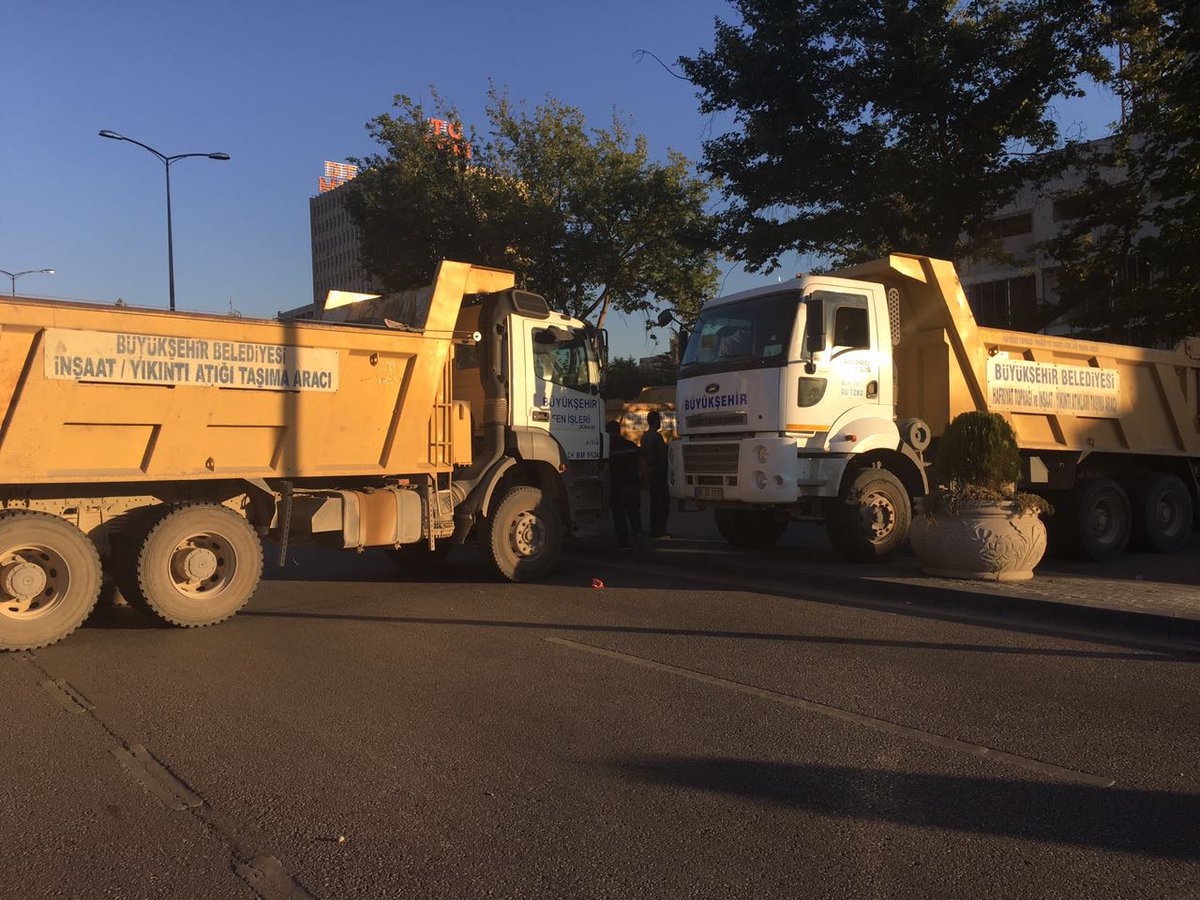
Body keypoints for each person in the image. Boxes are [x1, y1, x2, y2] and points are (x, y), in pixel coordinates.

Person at [605, 419, 644, 548]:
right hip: (633, 485)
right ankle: (638, 534)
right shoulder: (631, 445)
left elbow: (604, 469)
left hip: (617, 488)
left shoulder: (608, 449)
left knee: (619, 515)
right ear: (619, 430)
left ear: (608, 433)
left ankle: (624, 542)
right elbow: (641, 463)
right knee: (634, 512)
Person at [641, 410, 670, 538]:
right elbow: (663, 456)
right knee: (662, 503)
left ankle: (654, 530)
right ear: (656, 421)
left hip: (650, 472)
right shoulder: (656, 437)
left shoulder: (644, 436)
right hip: (659, 473)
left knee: (654, 503)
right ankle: (660, 531)